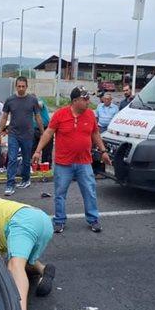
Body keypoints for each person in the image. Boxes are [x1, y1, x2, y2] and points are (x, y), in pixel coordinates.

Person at [33, 86, 111, 233]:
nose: (88, 102)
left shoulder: (90, 115)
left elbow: (95, 134)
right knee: (60, 193)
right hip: (64, 163)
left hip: (84, 162)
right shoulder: (60, 114)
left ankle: (93, 219)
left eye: (88, 99)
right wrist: (38, 151)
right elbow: (48, 133)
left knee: (89, 191)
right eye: (85, 99)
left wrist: (103, 151)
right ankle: (59, 220)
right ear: (75, 101)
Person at [0, 197, 55, 310]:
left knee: (14, 266)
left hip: (22, 223)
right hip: (42, 220)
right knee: (20, 259)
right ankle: (43, 269)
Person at [0, 77, 44, 196]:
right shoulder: (10, 100)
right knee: (12, 159)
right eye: (19, 86)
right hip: (13, 134)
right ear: (16, 86)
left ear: (27, 86)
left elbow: (38, 116)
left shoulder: (33, 100)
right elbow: (4, 117)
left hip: (28, 134)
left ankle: (26, 179)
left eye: (23, 86)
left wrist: (43, 132)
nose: (21, 88)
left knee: (26, 159)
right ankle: (10, 184)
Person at [31, 97, 52, 165]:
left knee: (47, 151)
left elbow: (40, 105)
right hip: (34, 129)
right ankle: (32, 166)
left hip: (46, 129)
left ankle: (46, 166)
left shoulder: (40, 101)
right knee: (32, 149)